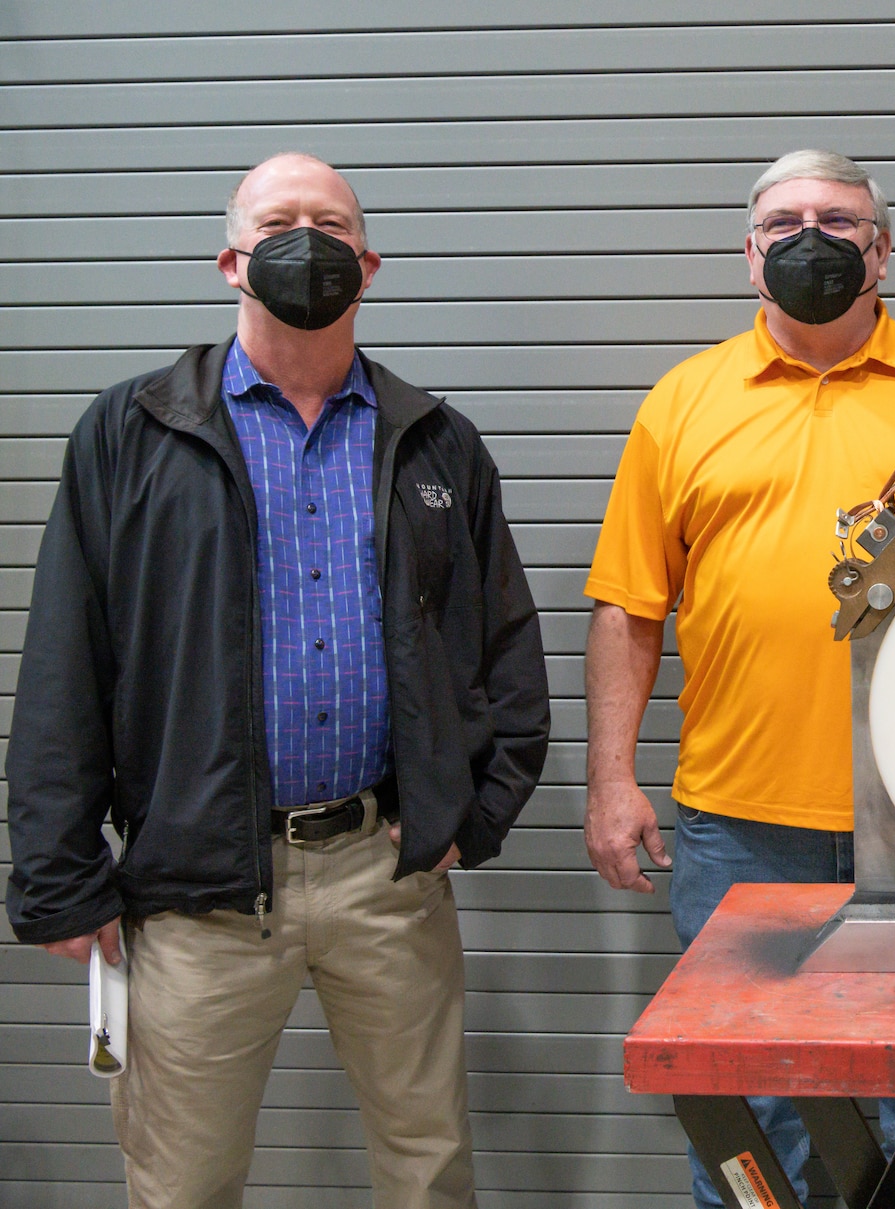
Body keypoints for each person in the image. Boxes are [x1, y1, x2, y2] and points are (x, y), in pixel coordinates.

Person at [4, 153, 550, 1208]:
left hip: (385, 877)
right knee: (183, 1183)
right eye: (280, 221)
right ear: (230, 261)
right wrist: (58, 875)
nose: (308, 239)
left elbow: (505, 650)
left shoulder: (436, 443)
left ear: (368, 262)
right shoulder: (131, 434)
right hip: (195, 890)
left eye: (330, 222)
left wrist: (467, 815)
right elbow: (66, 665)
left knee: (428, 1168)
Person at [582, 149, 895, 1207]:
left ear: (882, 251)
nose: (809, 239)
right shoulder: (684, 403)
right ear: (748, 255)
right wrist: (610, 780)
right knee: (750, 1121)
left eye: (837, 219)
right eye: (783, 222)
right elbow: (629, 608)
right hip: (738, 826)